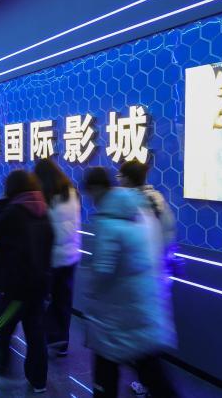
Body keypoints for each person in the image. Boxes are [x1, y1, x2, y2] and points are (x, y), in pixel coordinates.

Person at [83, 167, 178, 398]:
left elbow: (102, 272)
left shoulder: (108, 222)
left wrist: (90, 298)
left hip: (116, 316)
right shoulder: (142, 209)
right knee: (152, 372)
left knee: (106, 374)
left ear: (96, 189)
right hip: (145, 304)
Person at [0, 170, 54, 393]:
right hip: (38, 287)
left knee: (3, 328)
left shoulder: (13, 210)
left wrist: (3, 204)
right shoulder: (44, 209)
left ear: (12, 188)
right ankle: (38, 380)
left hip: (14, 289)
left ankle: (3, 371)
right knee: (36, 334)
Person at [117, 161, 179, 397]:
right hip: (159, 274)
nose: (118, 180)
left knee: (142, 341)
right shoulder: (158, 200)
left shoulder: (131, 204)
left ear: (127, 178)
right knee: (147, 336)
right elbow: (169, 235)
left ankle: (152, 384)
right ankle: (149, 382)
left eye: (120, 176)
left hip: (138, 279)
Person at [33, 158, 81, 357]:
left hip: (51, 258)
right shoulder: (72, 193)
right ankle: (62, 342)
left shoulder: (44, 197)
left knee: (42, 300)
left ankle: (44, 338)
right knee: (64, 299)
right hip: (71, 256)